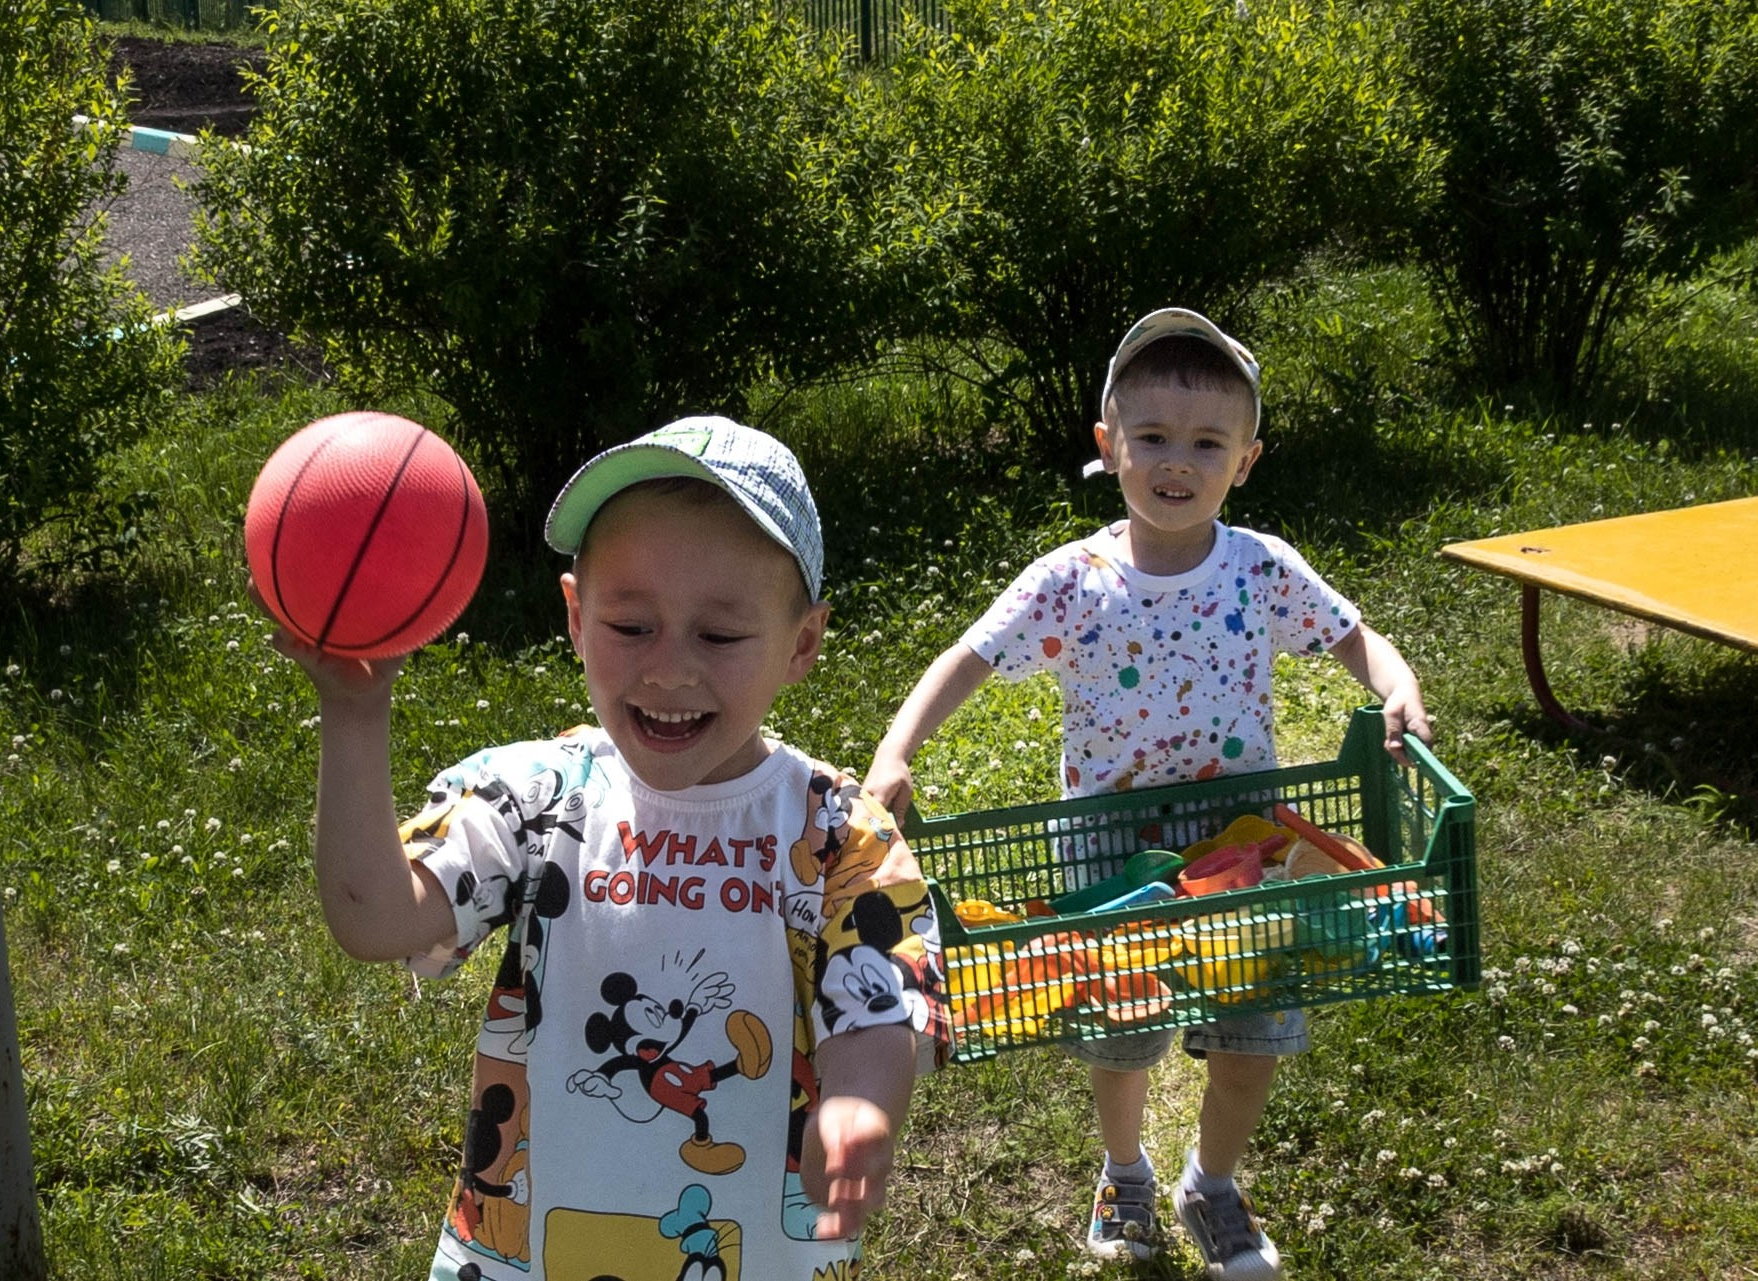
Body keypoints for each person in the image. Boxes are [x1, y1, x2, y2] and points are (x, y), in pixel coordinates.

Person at [267, 416, 950, 1281]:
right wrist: (355, 715)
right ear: (577, 617)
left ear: (803, 643)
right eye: (632, 626)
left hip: (748, 1252)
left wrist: (859, 1105)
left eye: (719, 635)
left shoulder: (835, 832)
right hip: (530, 1248)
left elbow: (875, 1006)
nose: (669, 669)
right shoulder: (536, 797)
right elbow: (373, 916)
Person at [865, 309, 1429, 1279]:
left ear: (1244, 459)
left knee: (1252, 1036)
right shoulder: (1072, 580)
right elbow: (965, 657)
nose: (1178, 461)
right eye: (1153, 437)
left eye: (1206, 442)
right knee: (1121, 1036)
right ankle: (1122, 1168)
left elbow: (1349, 632)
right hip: (1108, 860)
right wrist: (896, 747)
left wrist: (1396, 681)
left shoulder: (1259, 569)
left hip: (1237, 850)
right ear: (1107, 446)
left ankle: (1209, 1184)